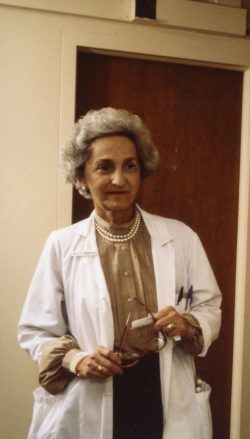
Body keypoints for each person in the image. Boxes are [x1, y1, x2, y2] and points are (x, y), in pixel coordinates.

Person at [17, 107, 222, 439]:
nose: (119, 179)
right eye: (104, 167)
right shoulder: (62, 245)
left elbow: (210, 307)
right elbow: (35, 331)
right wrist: (75, 360)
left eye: (130, 166)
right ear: (81, 176)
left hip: (162, 390)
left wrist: (188, 324)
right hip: (91, 393)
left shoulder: (180, 237)